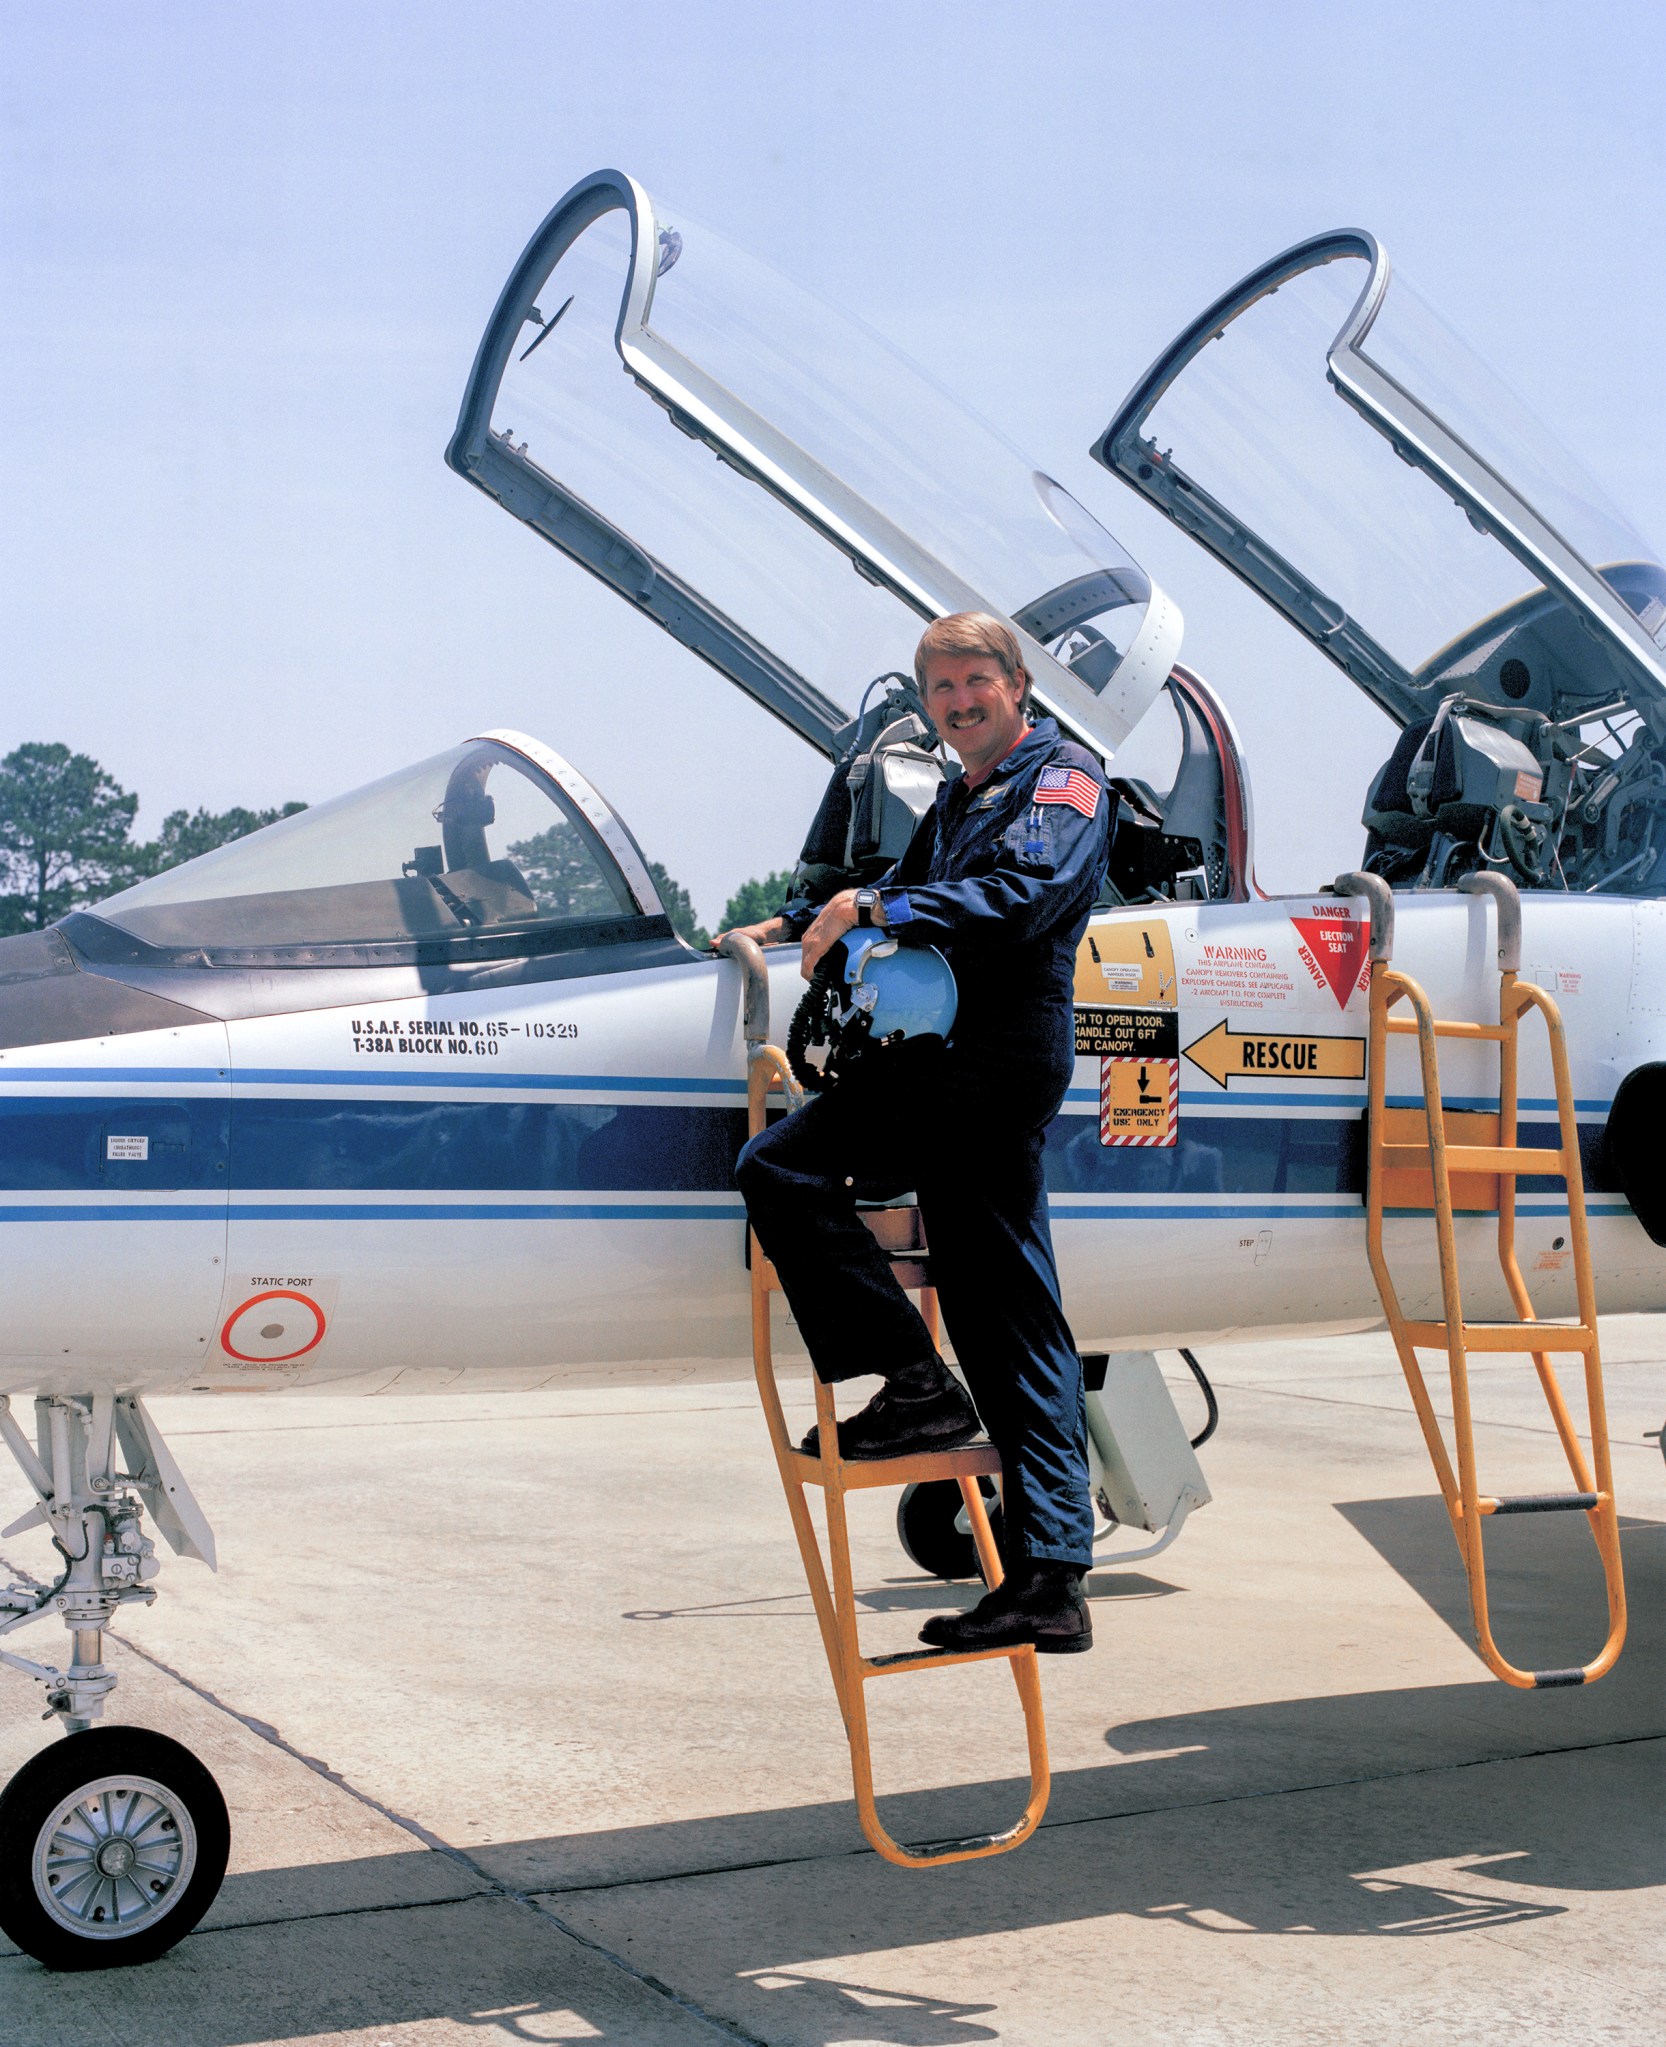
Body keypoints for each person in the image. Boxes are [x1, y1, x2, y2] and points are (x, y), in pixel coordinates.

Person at [727, 612, 1111, 1655]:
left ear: (1016, 683)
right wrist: (785, 922)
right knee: (1007, 1316)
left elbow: (1020, 896)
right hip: (949, 1052)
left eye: (972, 681)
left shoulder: (1064, 781)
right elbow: (889, 896)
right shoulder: (960, 795)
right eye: (938, 689)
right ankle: (1049, 1580)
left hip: (983, 1057)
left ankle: (911, 1387)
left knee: (782, 1166)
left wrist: (874, 903)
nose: (955, 703)